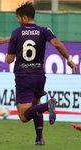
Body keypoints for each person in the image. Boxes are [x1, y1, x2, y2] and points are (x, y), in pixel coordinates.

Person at [6, 2, 77, 146]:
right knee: (34, 108)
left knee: (24, 116)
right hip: (39, 76)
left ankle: (49, 105)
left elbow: (9, 60)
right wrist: (69, 59)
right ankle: (39, 139)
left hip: (23, 76)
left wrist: (10, 51)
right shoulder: (44, 30)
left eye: (18, 18)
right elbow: (57, 44)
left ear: (24, 18)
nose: (17, 20)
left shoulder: (16, 33)